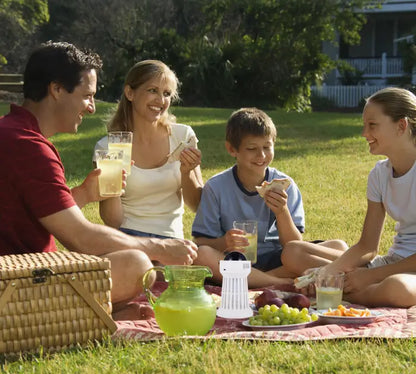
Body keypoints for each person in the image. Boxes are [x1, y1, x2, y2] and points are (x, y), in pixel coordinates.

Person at [0, 41, 198, 310]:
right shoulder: (29, 146)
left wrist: (84, 194)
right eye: (87, 95)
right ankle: (86, 313)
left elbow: (27, 215)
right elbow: (81, 238)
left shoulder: (12, 132)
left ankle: (102, 311)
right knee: (137, 264)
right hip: (15, 284)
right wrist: (160, 249)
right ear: (56, 89)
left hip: (21, 273)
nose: (91, 107)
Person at [288, 87, 416, 307]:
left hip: (405, 273)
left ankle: (341, 292)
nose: (364, 133)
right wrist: (328, 271)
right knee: (294, 252)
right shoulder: (379, 174)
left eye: (372, 125)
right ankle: (341, 288)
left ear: (401, 126)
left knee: (398, 289)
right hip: (393, 263)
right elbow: (367, 246)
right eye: (364, 125)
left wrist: (370, 276)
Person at [191, 107, 347, 288]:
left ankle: (253, 280)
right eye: (252, 148)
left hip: (277, 259)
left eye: (267, 147)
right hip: (234, 260)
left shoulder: (285, 185)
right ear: (232, 149)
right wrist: (225, 242)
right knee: (201, 255)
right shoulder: (216, 187)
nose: (262, 155)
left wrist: (282, 212)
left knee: (339, 247)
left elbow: (293, 244)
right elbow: (200, 242)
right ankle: (280, 283)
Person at [94, 60, 203, 240]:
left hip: (171, 239)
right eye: (153, 90)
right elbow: (112, 221)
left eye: (167, 94)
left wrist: (187, 172)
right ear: (130, 93)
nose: (161, 101)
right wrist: (112, 185)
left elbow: (197, 205)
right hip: (128, 239)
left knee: (163, 266)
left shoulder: (182, 136)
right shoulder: (110, 146)